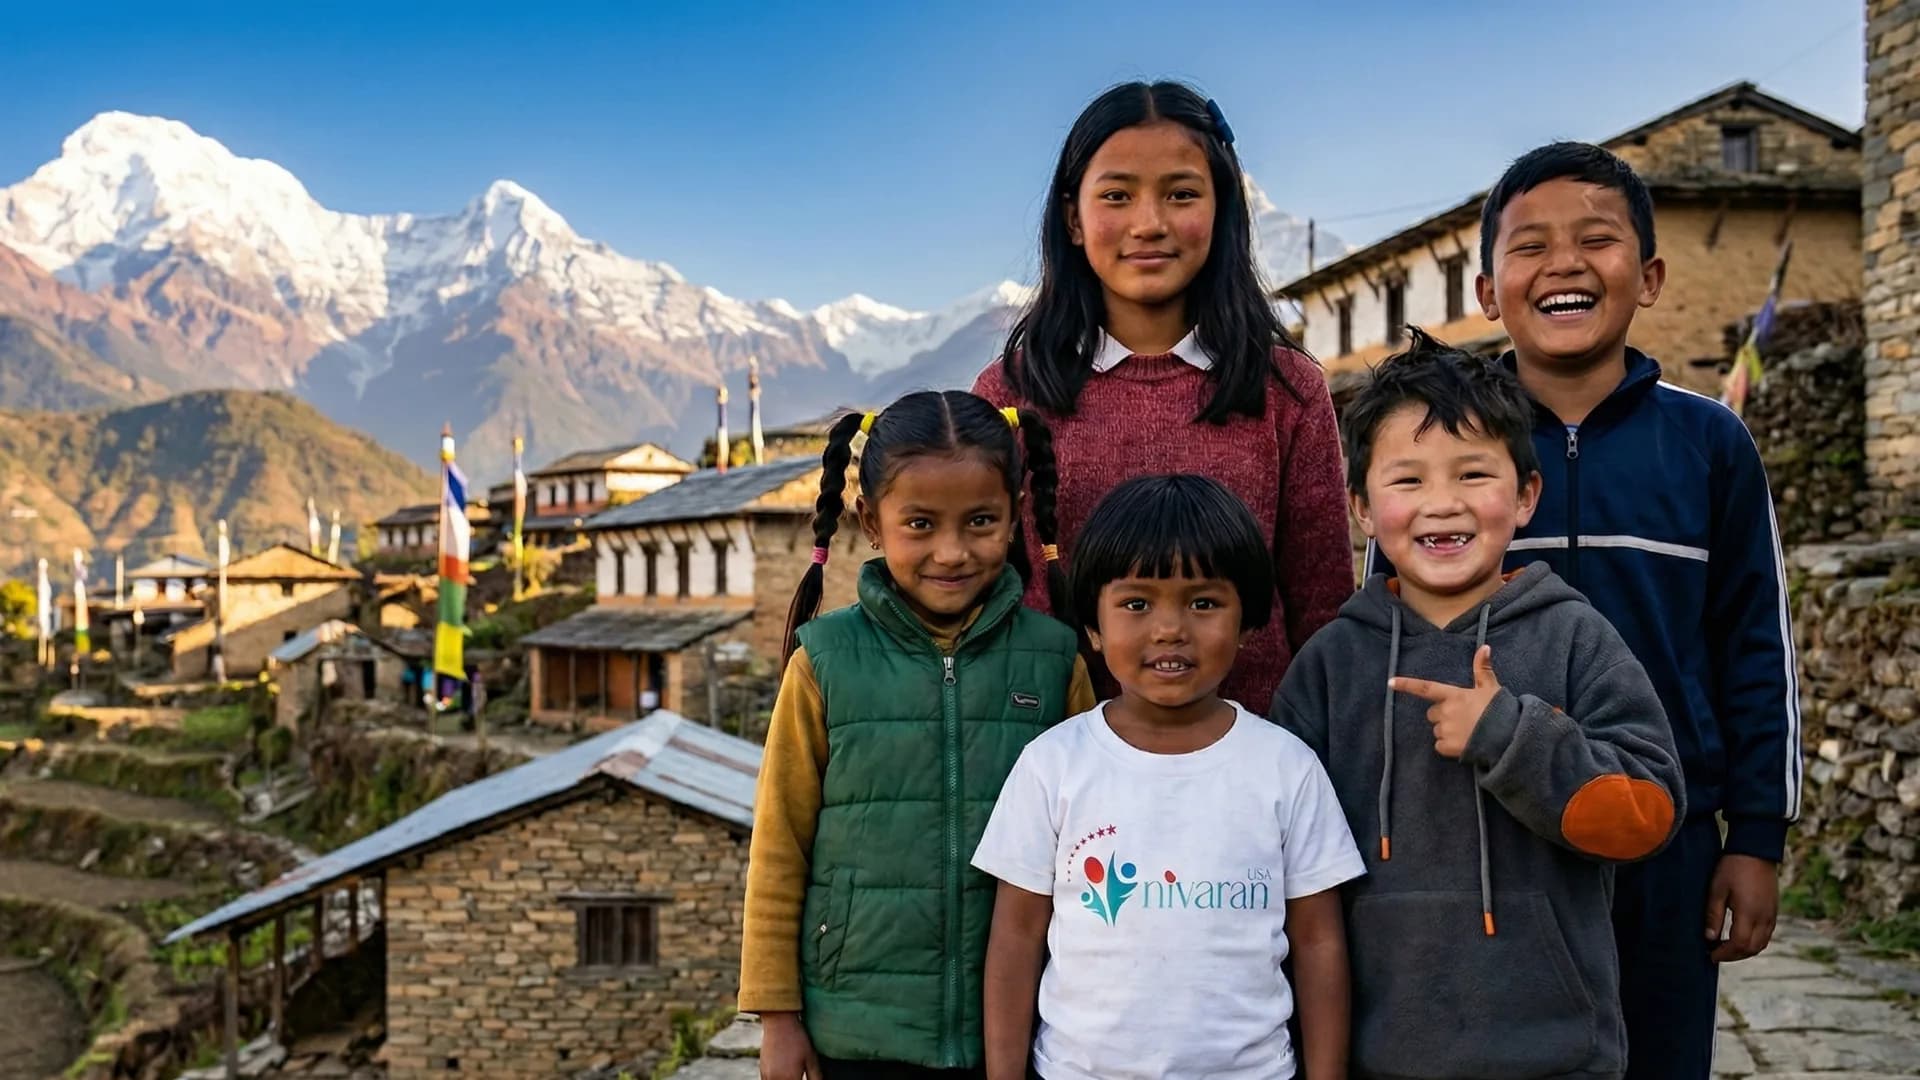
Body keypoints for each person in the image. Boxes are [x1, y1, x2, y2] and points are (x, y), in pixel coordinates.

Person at [1368, 143, 1802, 1078]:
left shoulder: (1709, 443)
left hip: (1664, 836)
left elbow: (1755, 646)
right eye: (1530, 247)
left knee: (1659, 1055)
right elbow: (1388, 632)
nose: (1563, 263)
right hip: (1485, 835)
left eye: (1596, 240)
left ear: (1646, 276)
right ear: (1487, 292)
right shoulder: (1435, 452)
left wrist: (1754, 837)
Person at [1290, 331, 1683, 1078]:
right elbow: (1281, 859)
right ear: (1362, 510)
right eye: (1407, 481)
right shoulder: (1330, 667)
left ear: (1526, 496)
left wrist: (1511, 736)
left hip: (1556, 1051)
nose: (1443, 503)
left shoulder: (1574, 638)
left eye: (1474, 474)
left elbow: (1648, 817)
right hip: (1379, 1052)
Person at [739, 390, 1097, 1079]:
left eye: (981, 522)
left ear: (1017, 512)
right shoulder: (825, 661)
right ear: (871, 522)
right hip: (856, 1024)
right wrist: (778, 1018)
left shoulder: (1054, 660)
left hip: (1021, 1024)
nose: (952, 552)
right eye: (921, 524)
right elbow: (779, 845)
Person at [972, 80, 1351, 709]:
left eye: (1180, 194)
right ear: (1073, 217)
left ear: (1221, 208)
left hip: (1255, 760)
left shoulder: (1288, 391)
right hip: (1055, 761)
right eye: (1117, 195)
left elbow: (1322, 610)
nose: (1149, 224)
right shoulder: (1009, 395)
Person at [976, 474, 1362, 1080]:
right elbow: (1016, 938)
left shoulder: (1287, 768)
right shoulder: (1053, 765)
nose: (1169, 629)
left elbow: (1318, 943)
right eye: (1136, 604)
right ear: (1094, 627)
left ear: (1248, 621)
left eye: (1204, 603)